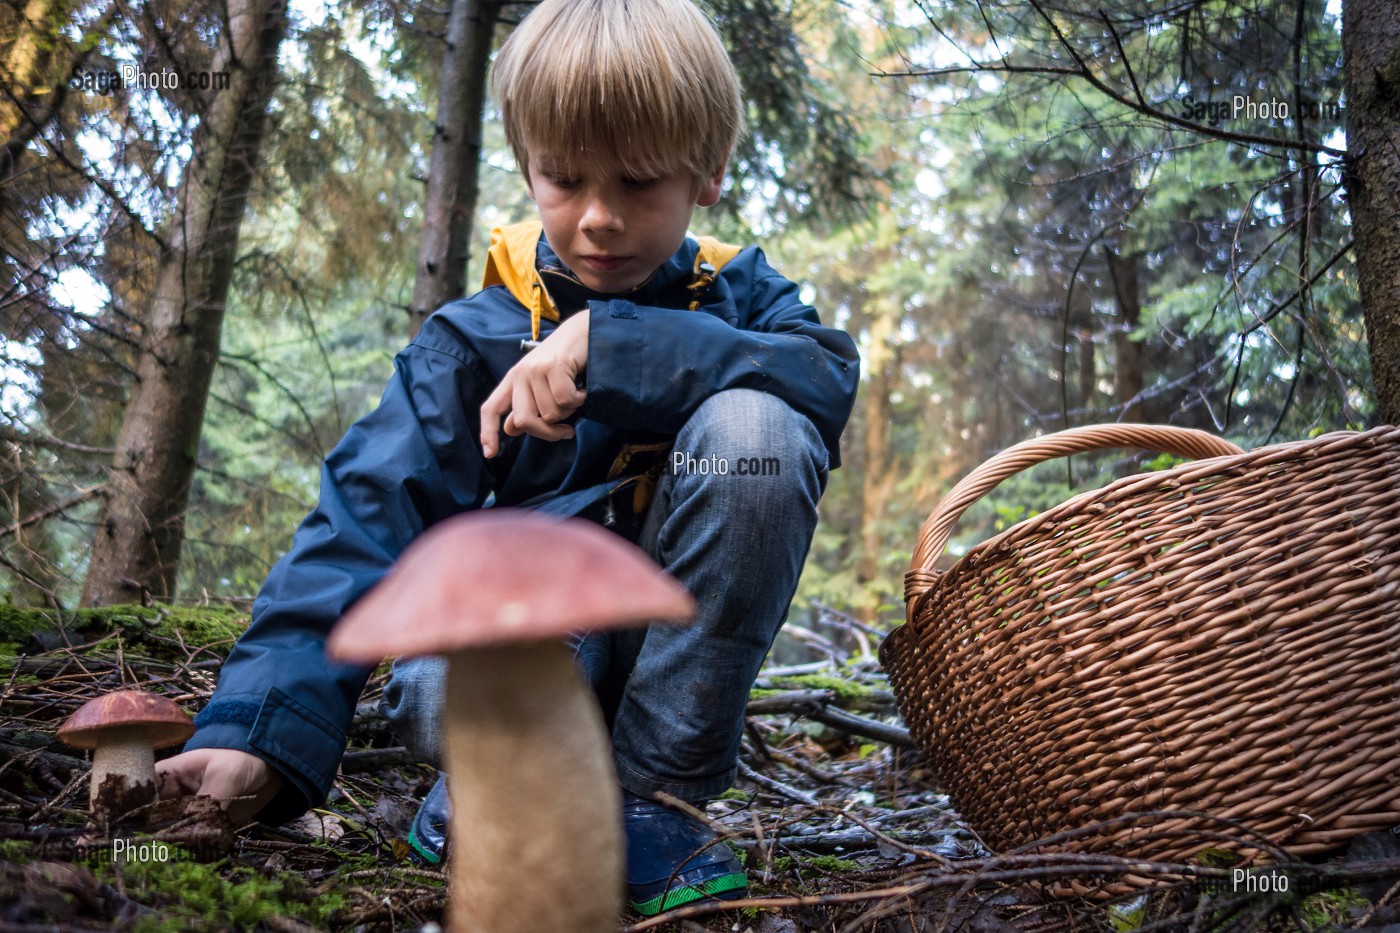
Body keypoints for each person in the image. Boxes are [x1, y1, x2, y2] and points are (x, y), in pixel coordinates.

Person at [155, 0, 860, 916]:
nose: (599, 218)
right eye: (564, 179)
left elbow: (825, 379)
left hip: (668, 687)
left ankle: (653, 807)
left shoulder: (748, 303)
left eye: (640, 181)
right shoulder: (471, 340)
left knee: (760, 435)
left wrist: (614, 345)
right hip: (496, 673)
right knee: (454, 642)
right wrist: (256, 730)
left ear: (708, 171)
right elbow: (360, 519)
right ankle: (494, 782)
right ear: (527, 168)